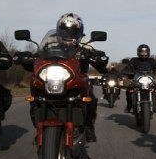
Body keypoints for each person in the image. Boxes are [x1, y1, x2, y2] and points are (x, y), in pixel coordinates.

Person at [15, 12, 108, 142]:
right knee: (36, 95)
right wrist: (27, 58)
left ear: (79, 31)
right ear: (59, 29)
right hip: (53, 77)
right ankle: (41, 127)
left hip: (76, 78)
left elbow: (99, 60)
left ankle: (88, 126)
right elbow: (40, 54)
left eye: (72, 30)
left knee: (90, 99)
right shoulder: (50, 41)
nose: (68, 33)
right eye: (64, 30)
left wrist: (98, 57)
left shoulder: (86, 43)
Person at [122, 44, 156, 113]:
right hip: (137, 80)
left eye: (145, 52)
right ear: (138, 52)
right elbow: (128, 67)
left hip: (149, 80)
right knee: (129, 90)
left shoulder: (151, 60)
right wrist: (126, 71)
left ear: (148, 52)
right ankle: (129, 106)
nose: (144, 54)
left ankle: (154, 104)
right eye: (142, 52)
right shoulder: (134, 60)